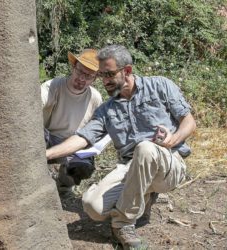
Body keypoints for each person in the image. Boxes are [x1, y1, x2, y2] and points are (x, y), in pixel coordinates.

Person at [46, 45, 196, 249]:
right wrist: (46, 154)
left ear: (127, 71)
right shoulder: (106, 110)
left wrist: (173, 138)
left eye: (109, 74)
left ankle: (123, 224)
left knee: (145, 148)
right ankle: (143, 197)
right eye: (101, 75)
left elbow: (189, 121)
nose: (105, 81)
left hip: (168, 162)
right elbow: (82, 139)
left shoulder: (160, 85)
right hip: (129, 168)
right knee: (93, 207)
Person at [41, 49, 102, 192]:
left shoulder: (95, 98)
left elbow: (96, 130)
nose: (82, 78)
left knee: (83, 167)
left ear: (95, 78)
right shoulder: (53, 86)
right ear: (73, 67)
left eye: (88, 76)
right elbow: (33, 104)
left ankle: (63, 185)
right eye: (80, 72)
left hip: (74, 144)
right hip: (47, 138)